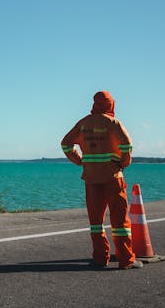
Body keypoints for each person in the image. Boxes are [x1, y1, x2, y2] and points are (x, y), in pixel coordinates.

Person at [61, 90, 143, 269]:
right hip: (113, 177)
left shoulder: (83, 123)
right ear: (111, 104)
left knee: (96, 222)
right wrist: (123, 162)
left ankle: (100, 258)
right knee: (120, 221)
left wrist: (80, 160)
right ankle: (126, 260)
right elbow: (127, 145)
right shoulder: (112, 122)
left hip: (91, 178)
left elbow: (65, 144)